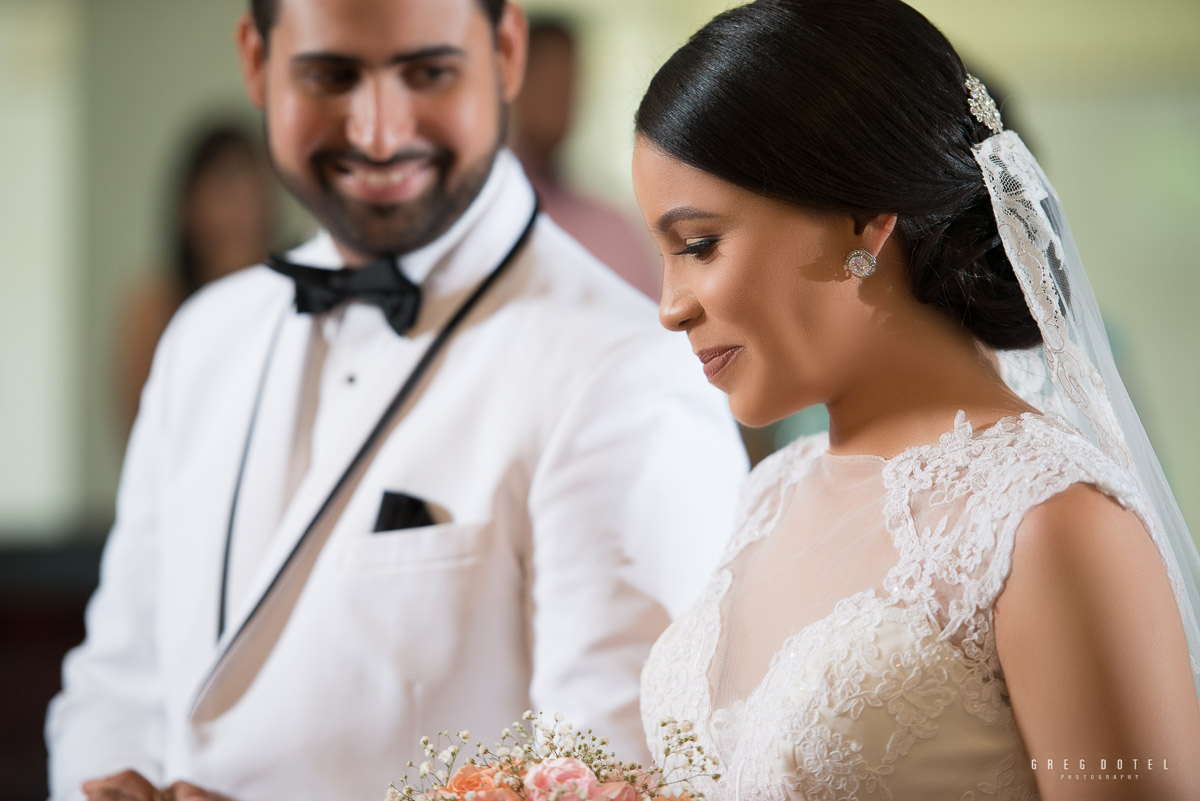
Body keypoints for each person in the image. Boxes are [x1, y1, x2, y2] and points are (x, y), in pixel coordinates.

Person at [46, 1, 747, 800]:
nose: (379, 133)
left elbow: (623, 773)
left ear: (507, 50)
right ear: (254, 61)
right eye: (331, 76)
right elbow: (116, 677)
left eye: (429, 72)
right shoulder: (200, 337)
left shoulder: (623, 369)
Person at [631, 1, 1200, 799]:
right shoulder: (770, 494)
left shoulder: (1051, 522)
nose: (670, 305)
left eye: (698, 246)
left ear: (863, 220)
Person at [116, 123, 279, 430]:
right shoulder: (155, 305)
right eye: (227, 192)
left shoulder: (291, 301)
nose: (245, 213)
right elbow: (138, 429)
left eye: (255, 193)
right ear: (189, 206)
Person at [510, 16, 661, 300]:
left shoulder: (610, 223)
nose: (559, 100)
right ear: (512, 84)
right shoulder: (483, 212)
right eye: (545, 82)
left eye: (567, 85)